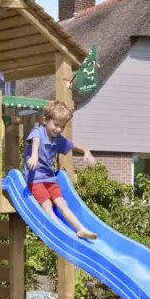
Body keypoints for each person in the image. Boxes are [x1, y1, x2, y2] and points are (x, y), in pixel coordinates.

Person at [25, 100, 98, 239]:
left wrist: (86, 150)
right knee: (47, 203)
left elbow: (72, 145)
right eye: (56, 125)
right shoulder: (38, 132)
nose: (58, 129)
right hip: (35, 178)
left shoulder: (57, 138)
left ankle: (81, 229)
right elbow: (36, 141)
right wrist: (34, 155)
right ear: (45, 120)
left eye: (62, 126)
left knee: (62, 202)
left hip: (50, 178)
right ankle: (58, 227)